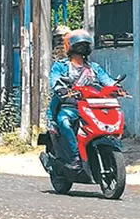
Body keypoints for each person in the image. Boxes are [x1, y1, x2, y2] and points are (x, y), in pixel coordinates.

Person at [47, 29, 116, 170]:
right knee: (64, 122)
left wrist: (116, 87)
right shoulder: (61, 66)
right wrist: (62, 89)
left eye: (84, 45)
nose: (81, 48)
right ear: (69, 46)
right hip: (71, 107)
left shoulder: (93, 67)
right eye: (78, 45)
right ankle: (75, 158)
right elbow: (55, 80)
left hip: (92, 107)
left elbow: (107, 80)